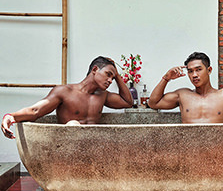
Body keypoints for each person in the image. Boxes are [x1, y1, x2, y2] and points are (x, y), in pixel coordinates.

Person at [1, 56, 133, 139]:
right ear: (94, 70)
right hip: (68, 148)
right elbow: (36, 111)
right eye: (108, 74)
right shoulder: (64, 92)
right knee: (73, 124)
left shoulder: (103, 96)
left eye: (112, 78)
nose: (110, 80)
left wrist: (117, 75)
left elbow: (127, 102)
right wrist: (11, 117)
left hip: (94, 146)